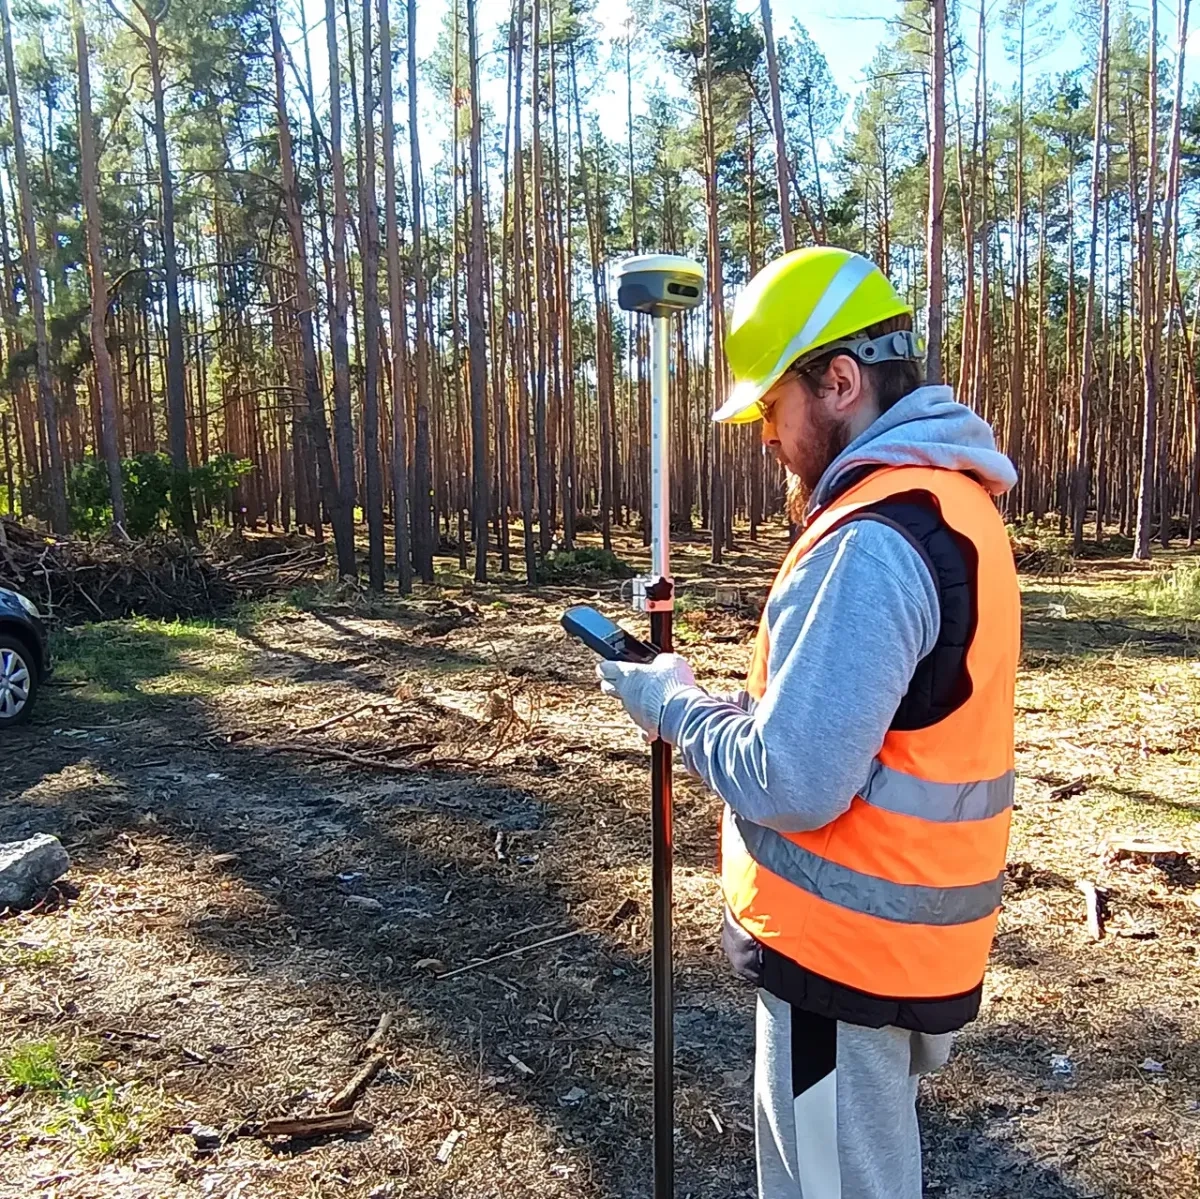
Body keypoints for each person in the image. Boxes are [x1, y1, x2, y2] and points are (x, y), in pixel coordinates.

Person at [596, 246, 1020, 1199]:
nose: (764, 438)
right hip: (893, 946)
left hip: (844, 960)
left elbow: (792, 778)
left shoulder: (873, 540)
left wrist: (670, 702)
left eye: (770, 408)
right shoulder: (950, 503)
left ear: (839, 381)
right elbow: (889, 726)